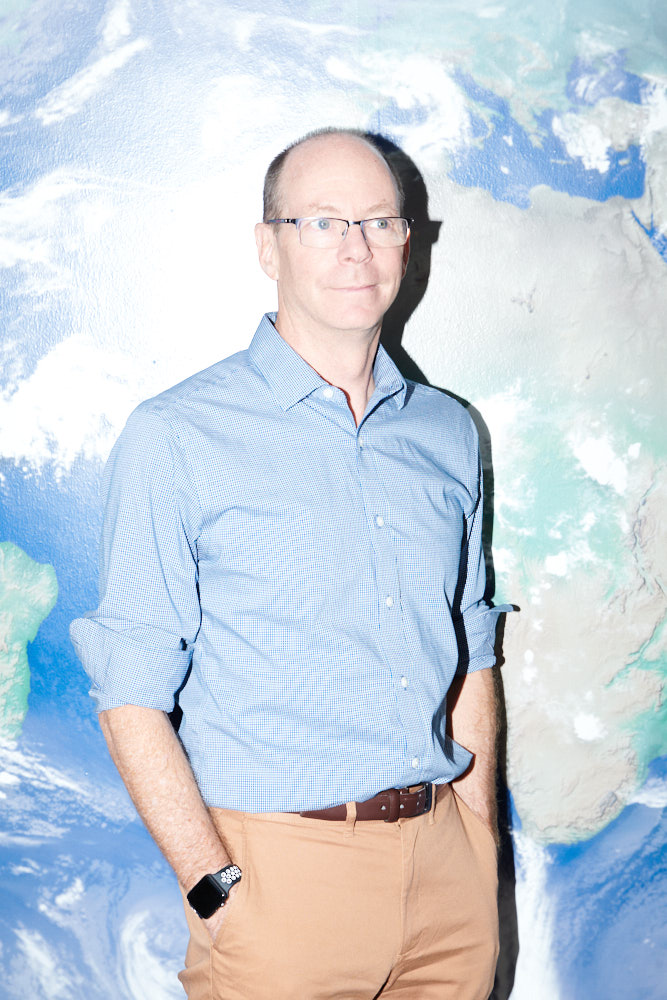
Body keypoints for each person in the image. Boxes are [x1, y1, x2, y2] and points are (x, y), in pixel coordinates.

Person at [71, 127, 509, 1000]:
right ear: (266, 245)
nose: (354, 247)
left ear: (406, 244)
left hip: (448, 879)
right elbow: (130, 690)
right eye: (320, 222)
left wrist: (477, 833)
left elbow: (470, 649)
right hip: (278, 889)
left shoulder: (448, 433)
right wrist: (213, 886)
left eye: (378, 221)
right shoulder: (177, 435)